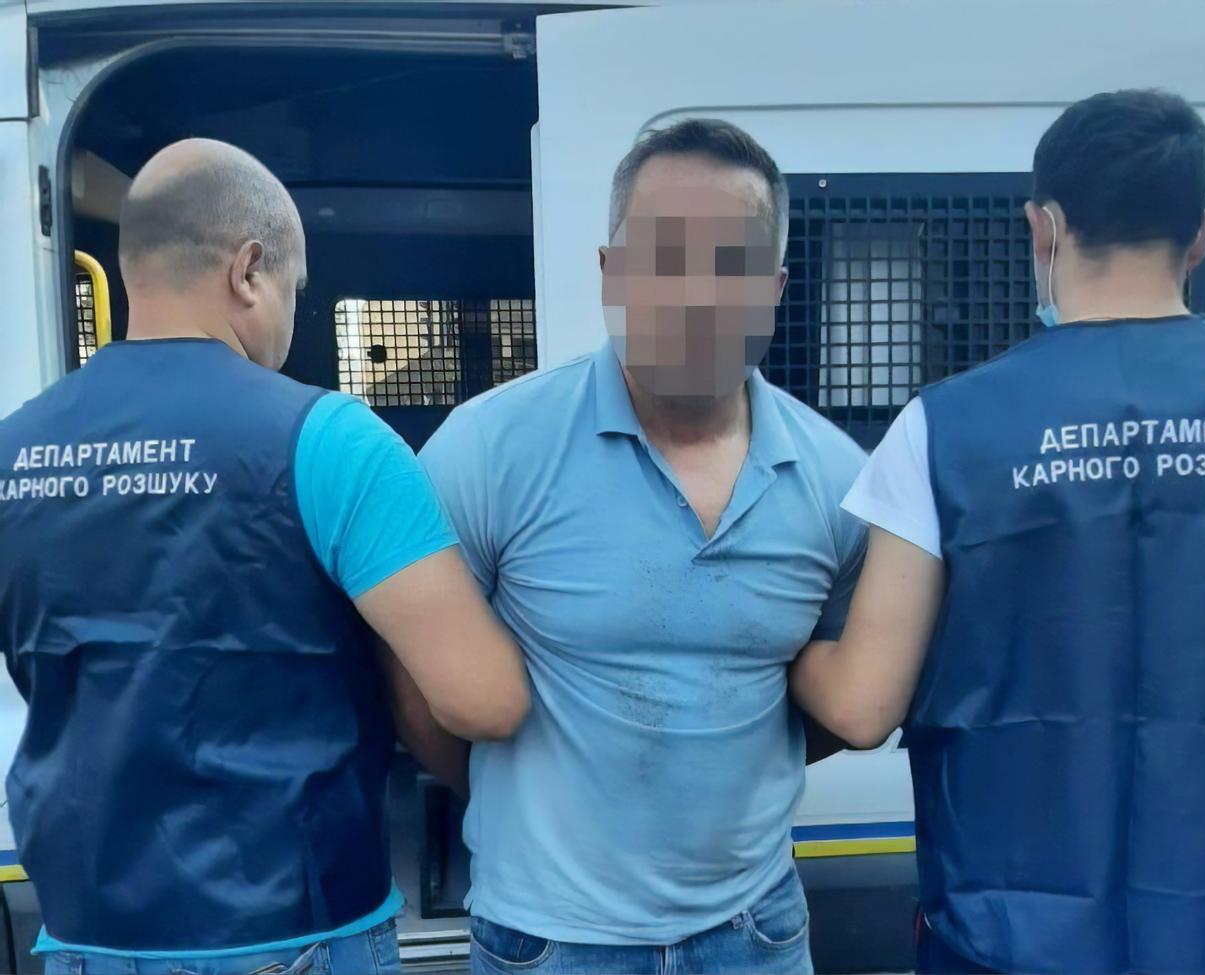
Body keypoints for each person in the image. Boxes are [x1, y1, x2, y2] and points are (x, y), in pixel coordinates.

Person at [793, 88, 1205, 974]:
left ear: (1044, 227)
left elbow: (863, 706)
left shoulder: (944, 427)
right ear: (1200, 235)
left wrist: (765, 634)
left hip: (995, 948)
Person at [0, 138, 530, 975]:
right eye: (295, 288)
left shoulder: (12, 450)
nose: (292, 317)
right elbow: (484, 699)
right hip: (292, 928)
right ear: (248, 270)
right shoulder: (330, 440)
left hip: (85, 934)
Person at [416, 118, 866, 975]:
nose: (695, 293)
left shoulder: (836, 480)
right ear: (609, 271)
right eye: (663, 256)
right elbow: (416, 688)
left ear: (774, 287)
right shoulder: (490, 451)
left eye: (730, 262)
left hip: (756, 934)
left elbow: (844, 694)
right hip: (549, 941)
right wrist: (524, 802)